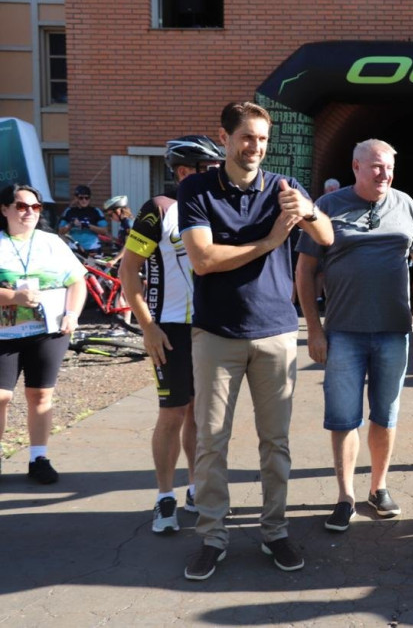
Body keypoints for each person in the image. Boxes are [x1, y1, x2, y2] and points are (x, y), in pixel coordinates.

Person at [178, 101, 332, 580]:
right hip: (216, 334)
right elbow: (203, 259)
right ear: (224, 138)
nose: (255, 147)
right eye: (247, 137)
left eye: (262, 139)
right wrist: (268, 242)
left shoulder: (284, 188)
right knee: (211, 442)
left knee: (275, 443)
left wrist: (306, 211)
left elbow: (326, 237)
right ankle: (212, 537)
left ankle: (275, 532)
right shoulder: (197, 189)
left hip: (276, 333)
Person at [296, 139, 413, 534]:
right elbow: (304, 272)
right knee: (343, 418)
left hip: (393, 332)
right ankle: (345, 496)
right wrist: (314, 330)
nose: (384, 174)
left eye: (389, 167)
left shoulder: (405, 205)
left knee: (385, 416)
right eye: (376, 167)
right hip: (344, 333)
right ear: (356, 167)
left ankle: (378, 488)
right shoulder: (328, 207)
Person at [119, 135, 223, 535]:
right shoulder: (158, 209)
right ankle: (165, 496)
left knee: (200, 413)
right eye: (208, 169)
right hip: (171, 327)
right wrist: (147, 325)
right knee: (172, 413)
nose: (216, 175)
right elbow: (129, 270)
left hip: (210, 325)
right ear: (184, 172)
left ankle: (196, 487)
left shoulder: (214, 207)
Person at [0, 184, 86, 482]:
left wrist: (72, 314)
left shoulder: (52, 243)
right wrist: (12, 298)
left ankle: (39, 458)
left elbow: (77, 282)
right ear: (4, 209)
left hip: (49, 330)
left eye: (35, 207)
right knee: (0, 397)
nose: (29, 212)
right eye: (22, 206)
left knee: (40, 394)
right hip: (4, 335)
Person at [58, 185, 109, 254]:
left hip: (92, 248)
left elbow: (104, 231)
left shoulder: (96, 211)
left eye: (87, 198)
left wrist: (88, 225)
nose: (84, 200)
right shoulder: (69, 211)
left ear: (90, 198)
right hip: (74, 248)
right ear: (76, 198)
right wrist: (71, 224)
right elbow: (60, 231)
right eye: (81, 198)